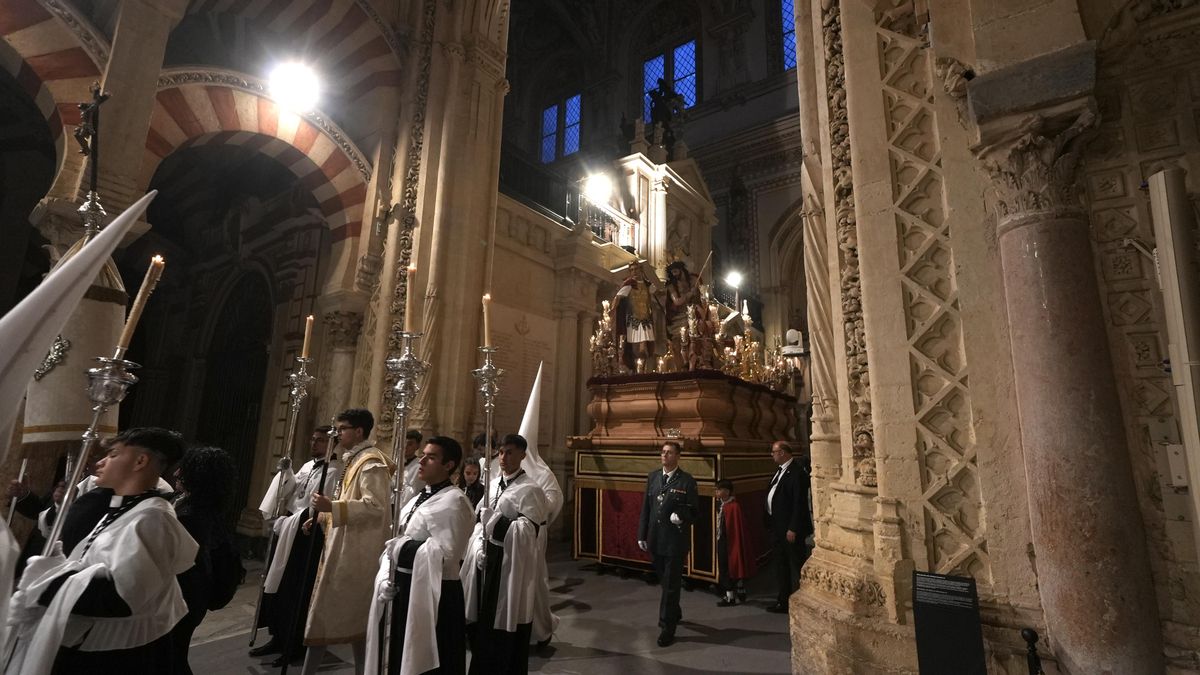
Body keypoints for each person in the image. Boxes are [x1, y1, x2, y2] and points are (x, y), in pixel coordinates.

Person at [3, 427, 195, 674]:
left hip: (120, 654)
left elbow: (121, 597)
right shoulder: (124, 505)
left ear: (140, 461)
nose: (102, 461)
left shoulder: (151, 518)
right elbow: (91, 556)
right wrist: (58, 564)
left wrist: (44, 586)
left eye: (113, 454)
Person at [366, 436, 473, 675]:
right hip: (404, 588)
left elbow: (446, 555)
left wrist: (402, 548)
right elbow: (396, 541)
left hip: (435, 595)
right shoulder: (417, 497)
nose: (422, 460)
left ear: (449, 465)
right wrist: (385, 576)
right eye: (423, 455)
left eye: (431, 457)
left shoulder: (454, 501)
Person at [300, 408, 395, 675]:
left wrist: (331, 506)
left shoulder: (371, 462)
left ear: (359, 431)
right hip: (342, 544)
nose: (337, 434)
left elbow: (375, 506)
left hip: (356, 552)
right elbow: (348, 500)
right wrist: (322, 517)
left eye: (342, 429)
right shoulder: (355, 459)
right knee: (354, 622)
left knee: (329, 617)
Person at [252, 426, 343, 664]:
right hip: (287, 528)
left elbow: (321, 506)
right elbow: (293, 491)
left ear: (332, 444)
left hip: (305, 533)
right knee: (278, 587)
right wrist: (287, 472)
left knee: (295, 589)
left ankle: (293, 645)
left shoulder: (334, 471)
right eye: (313, 439)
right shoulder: (306, 466)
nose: (314, 444)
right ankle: (277, 636)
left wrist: (295, 520)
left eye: (321, 441)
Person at [461, 434, 548, 675]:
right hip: (485, 562)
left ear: (522, 455)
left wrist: (497, 524)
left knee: (501, 626)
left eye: (510, 452)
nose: (503, 457)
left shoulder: (530, 490)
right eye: (500, 452)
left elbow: (529, 533)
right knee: (481, 623)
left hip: (509, 566)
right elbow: (479, 523)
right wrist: (478, 546)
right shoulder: (492, 484)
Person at [170, 445, 236, 674]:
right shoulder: (195, 507)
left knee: (172, 659)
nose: (177, 473)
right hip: (189, 598)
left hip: (183, 600)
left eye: (184, 469)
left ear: (198, 477)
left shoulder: (193, 517)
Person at [637, 441, 698, 647]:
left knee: (671, 585)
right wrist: (641, 534)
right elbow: (647, 507)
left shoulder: (687, 481)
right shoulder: (653, 476)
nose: (665, 455)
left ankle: (666, 627)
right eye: (663, 452)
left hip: (674, 542)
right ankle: (675, 611)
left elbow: (694, 511)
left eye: (669, 452)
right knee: (666, 582)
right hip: (655, 539)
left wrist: (681, 516)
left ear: (678, 456)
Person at [764, 440, 812, 613]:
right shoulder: (780, 471)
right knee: (781, 564)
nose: (772, 454)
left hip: (790, 529)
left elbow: (799, 503)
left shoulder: (796, 473)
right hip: (777, 527)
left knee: (796, 563)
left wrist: (793, 528)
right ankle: (783, 600)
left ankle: (804, 600)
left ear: (783, 452)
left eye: (774, 451)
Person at [613, 260, 665, 371]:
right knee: (636, 348)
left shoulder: (647, 285)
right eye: (631, 270)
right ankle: (637, 370)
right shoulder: (629, 285)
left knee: (645, 349)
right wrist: (611, 310)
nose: (634, 272)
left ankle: (643, 369)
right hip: (634, 321)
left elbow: (659, 294)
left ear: (641, 270)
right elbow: (618, 297)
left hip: (646, 320)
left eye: (636, 269)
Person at [714, 478, 755, 606]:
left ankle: (730, 596)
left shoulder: (733, 506)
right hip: (723, 540)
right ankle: (737, 588)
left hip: (730, 542)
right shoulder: (721, 504)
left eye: (718, 490)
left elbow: (736, 528)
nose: (716, 492)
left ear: (726, 492)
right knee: (724, 566)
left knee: (729, 566)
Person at [400, 429, 426, 506]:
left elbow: (414, 493)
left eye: (410, 444)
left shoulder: (419, 466)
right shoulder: (395, 462)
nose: (405, 446)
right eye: (403, 443)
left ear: (417, 446)